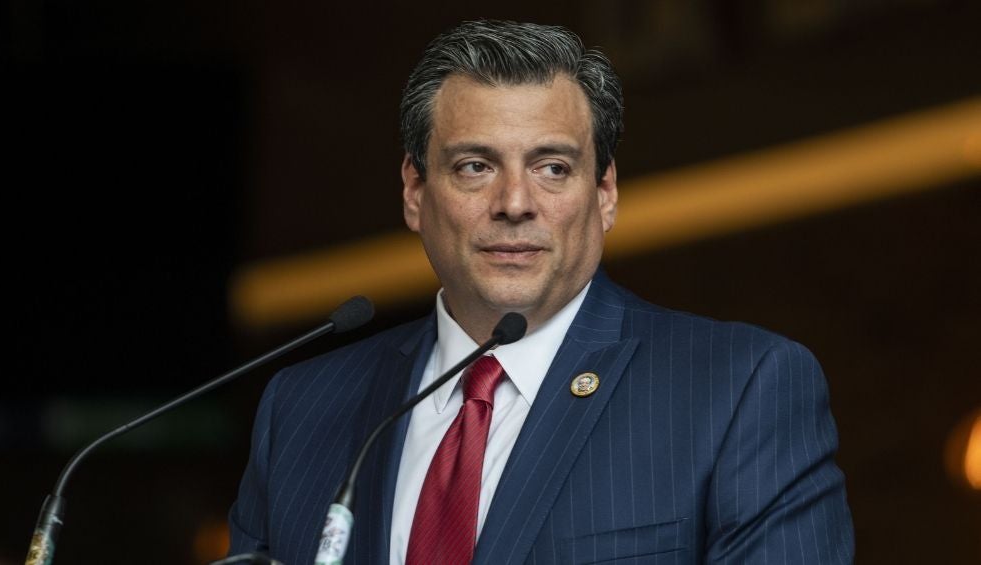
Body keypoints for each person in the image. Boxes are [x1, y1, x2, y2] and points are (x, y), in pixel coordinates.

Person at [228, 20, 854, 564]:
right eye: (475, 166)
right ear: (415, 191)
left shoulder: (740, 388)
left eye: (552, 168)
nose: (514, 203)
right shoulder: (301, 409)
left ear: (604, 193)